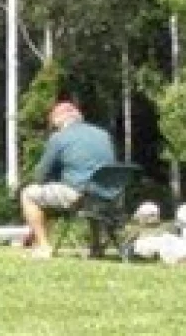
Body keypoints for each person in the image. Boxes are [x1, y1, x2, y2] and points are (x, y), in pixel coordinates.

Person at [18, 100, 115, 258]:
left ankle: (43, 246)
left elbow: (40, 176)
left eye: (53, 124)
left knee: (28, 194)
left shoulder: (59, 138)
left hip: (78, 195)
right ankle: (96, 246)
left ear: (58, 120)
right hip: (108, 194)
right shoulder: (103, 134)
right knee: (91, 190)